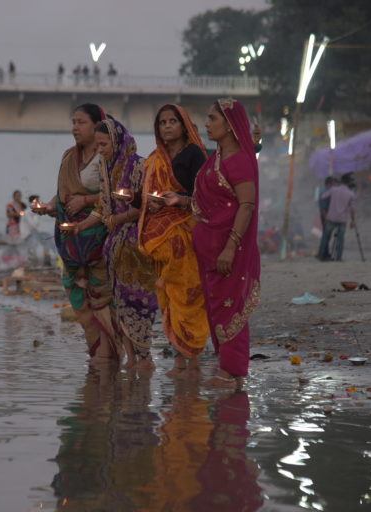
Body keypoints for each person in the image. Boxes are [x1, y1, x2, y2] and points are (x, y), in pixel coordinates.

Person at [72, 117, 158, 368]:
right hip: (116, 250)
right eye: (97, 146)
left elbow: (148, 204)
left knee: (138, 302)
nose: (101, 150)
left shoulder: (139, 166)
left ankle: (145, 359)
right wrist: (80, 226)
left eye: (104, 144)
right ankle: (131, 360)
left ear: (118, 141)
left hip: (137, 247)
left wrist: (121, 217)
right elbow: (102, 210)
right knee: (120, 305)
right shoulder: (106, 170)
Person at [38, 103, 117, 365]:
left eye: (81, 122)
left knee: (101, 297)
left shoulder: (106, 156)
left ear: (97, 125)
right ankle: (94, 350)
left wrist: (85, 201)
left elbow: (115, 194)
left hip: (99, 239)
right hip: (70, 243)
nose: (75, 127)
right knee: (79, 298)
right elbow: (62, 194)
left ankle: (109, 352)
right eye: (73, 122)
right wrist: (49, 206)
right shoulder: (68, 157)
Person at [191, 98, 261, 390]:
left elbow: (246, 205)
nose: (206, 124)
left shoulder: (239, 161)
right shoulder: (215, 160)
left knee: (231, 307)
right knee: (216, 308)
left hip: (230, 249)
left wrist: (230, 246)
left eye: (212, 119)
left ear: (230, 125)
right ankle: (225, 368)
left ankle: (233, 372)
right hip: (210, 251)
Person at [141, 104, 210, 376]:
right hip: (161, 237)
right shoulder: (153, 159)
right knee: (168, 296)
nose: (167, 126)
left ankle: (191, 360)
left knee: (189, 294)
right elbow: (144, 198)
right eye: (162, 122)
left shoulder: (194, 155)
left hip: (187, 232)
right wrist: (147, 202)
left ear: (184, 126)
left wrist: (178, 200)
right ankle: (178, 360)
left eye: (173, 121)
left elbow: (204, 197)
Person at [317, 173, 356, 261]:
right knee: (340, 239)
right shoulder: (351, 193)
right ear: (349, 182)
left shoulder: (333, 190)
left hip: (331, 218)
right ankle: (338, 257)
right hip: (342, 219)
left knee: (326, 237)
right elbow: (353, 209)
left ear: (341, 181)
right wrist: (353, 221)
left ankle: (320, 255)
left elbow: (323, 196)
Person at [317, 177, 335, 260]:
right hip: (326, 216)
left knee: (326, 236)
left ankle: (323, 253)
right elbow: (323, 208)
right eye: (333, 184)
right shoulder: (325, 192)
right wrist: (326, 218)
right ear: (329, 184)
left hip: (326, 215)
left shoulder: (324, 191)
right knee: (326, 236)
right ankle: (323, 254)